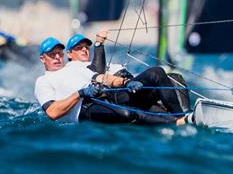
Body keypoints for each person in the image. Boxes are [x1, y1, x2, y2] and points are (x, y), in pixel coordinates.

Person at [34, 35, 192, 126]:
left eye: (59, 53)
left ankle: (184, 117)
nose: (57, 57)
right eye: (52, 54)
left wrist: (125, 83)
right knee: (127, 113)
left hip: (99, 100)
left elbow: (103, 78)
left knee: (158, 72)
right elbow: (52, 112)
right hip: (82, 112)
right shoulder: (43, 81)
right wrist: (80, 93)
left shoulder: (75, 68)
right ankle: (178, 123)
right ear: (42, 58)